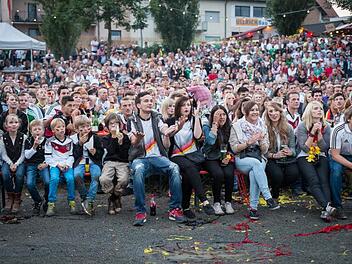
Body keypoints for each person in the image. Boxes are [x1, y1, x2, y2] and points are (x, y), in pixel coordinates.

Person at [128, 91, 184, 226]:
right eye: (146, 101)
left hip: (158, 157)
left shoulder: (156, 117)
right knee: (138, 170)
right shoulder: (132, 120)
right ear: (138, 105)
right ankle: (140, 211)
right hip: (140, 158)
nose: (149, 103)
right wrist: (138, 139)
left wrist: (175, 129)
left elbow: (164, 130)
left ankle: (175, 209)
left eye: (150, 100)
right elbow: (133, 141)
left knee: (174, 168)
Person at [229, 101, 279, 220]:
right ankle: (268, 197)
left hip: (258, 155)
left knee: (254, 171)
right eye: (252, 110)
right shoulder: (236, 126)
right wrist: (249, 142)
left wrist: (261, 141)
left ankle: (253, 209)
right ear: (245, 112)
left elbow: (265, 150)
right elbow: (234, 149)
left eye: (257, 109)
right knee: (256, 165)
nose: (255, 112)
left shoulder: (262, 126)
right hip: (242, 157)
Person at [167, 96, 215, 219]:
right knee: (189, 167)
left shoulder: (194, 120)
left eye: (188, 105)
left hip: (193, 155)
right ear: (178, 107)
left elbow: (198, 136)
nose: (186, 107)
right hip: (176, 154)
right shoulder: (170, 121)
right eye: (183, 105)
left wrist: (197, 116)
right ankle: (204, 200)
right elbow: (168, 139)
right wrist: (178, 128)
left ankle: (186, 207)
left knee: (188, 174)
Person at [296, 101, 335, 221]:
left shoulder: (326, 126)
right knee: (314, 180)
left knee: (324, 181)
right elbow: (305, 148)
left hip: (320, 154)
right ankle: (327, 207)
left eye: (321, 109)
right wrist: (312, 132)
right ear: (309, 111)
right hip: (304, 156)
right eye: (316, 108)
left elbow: (324, 148)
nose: (319, 111)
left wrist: (319, 134)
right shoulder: (302, 126)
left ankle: (326, 210)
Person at [202, 105, 235, 215]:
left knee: (229, 174)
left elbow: (232, 148)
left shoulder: (229, 127)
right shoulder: (207, 126)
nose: (221, 117)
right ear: (212, 116)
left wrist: (228, 157)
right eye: (218, 115)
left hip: (225, 156)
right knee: (218, 174)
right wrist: (215, 125)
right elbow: (210, 141)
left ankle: (228, 202)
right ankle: (216, 203)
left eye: (223, 114)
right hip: (210, 157)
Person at [264, 102, 299, 199]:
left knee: (294, 173)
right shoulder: (264, 128)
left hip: (286, 158)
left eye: (276, 111)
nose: (274, 113)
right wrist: (274, 155)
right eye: (271, 111)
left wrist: (290, 152)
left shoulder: (288, 127)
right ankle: (274, 194)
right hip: (271, 158)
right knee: (277, 175)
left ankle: (280, 185)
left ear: (280, 112)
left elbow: (293, 148)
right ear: (267, 114)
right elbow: (262, 151)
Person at [72, 115, 103, 215]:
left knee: (96, 175)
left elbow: (101, 153)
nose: (86, 129)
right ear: (77, 129)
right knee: (77, 175)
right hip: (80, 162)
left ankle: (90, 199)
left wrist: (95, 152)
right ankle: (84, 196)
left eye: (87, 126)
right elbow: (74, 155)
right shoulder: (73, 138)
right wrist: (80, 144)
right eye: (82, 127)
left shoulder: (95, 137)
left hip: (93, 161)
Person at [100, 113, 130, 215]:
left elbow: (124, 154)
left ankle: (113, 198)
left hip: (122, 162)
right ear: (107, 127)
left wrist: (121, 142)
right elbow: (111, 152)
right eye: (111, 124)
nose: (114, 126)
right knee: (104, 179)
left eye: (116, 123)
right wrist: (114, 138)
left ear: (120, 125)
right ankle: (116, 197)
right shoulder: (105, 138)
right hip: (109, 162)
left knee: (124, 179)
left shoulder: (125, 137)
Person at [45, 118, 75, 216]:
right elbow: (48, 157)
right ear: (53, 130)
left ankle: (72, 202)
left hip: (67, 164)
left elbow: (71, 156)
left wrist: (67, 164)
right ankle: (51, 203)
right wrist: (57, 164)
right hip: (55, 164)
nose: (61, 129)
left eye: (63, 127)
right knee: (54, 179)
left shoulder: (70, 141)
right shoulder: (49, 142)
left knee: (70, 179)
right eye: (58, 127)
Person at [329, 106, 352, 220]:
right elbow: (335, 155)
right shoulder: (338, 129)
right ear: (349, 119)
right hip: (339, 155)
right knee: (336, 172)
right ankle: (337, 205)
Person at [0, 114, 26, 213]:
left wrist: (17, 164)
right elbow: (3, 154)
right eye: (11, 122)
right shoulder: (3, 138)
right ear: (6, 125)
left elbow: (23, 154)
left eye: (16, 122)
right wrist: (11, 163)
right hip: (8, 161)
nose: (14, 125)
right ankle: (10, 196)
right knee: (5, 174)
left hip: (20, 161)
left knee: (19, 175)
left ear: (19, 124)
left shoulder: (23, 137)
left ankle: (17, 197)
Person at [24, 120, 49, 215]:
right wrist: (34, 146)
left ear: (43, 130)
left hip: (43, 164)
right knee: (30, 183)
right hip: (31, 164)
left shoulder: (47, 141)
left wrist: (45, 163)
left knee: (47, 181)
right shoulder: (28, 140)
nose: (37, 131)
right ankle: (37, 200)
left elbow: (50, 155)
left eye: (39, 129)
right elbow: (27, 156)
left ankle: (47, 200)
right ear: (31, 131)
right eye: (35, 129)